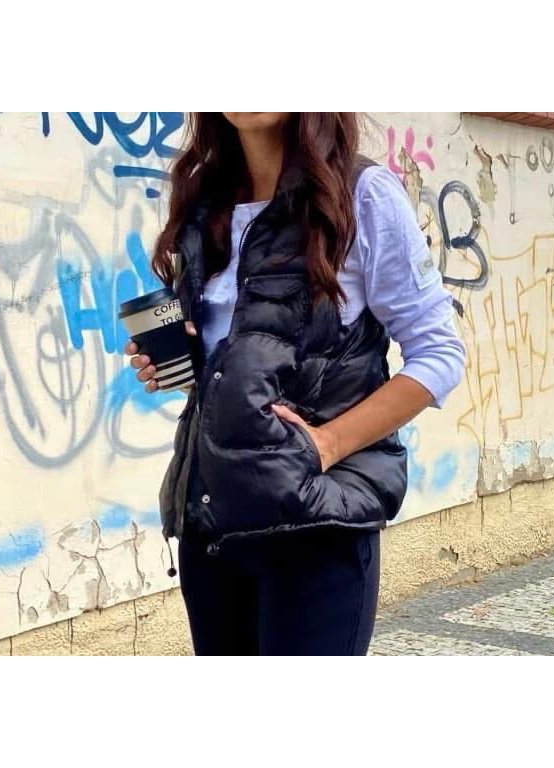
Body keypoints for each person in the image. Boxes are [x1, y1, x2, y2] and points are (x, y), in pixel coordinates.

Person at [125, 112, 466, 655]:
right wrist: (186, 367)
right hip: (209, 527)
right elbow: (256, 367)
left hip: (315, 528)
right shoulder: (207, 200)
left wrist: (326, 444)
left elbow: (439, 354)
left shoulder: (361, 195)